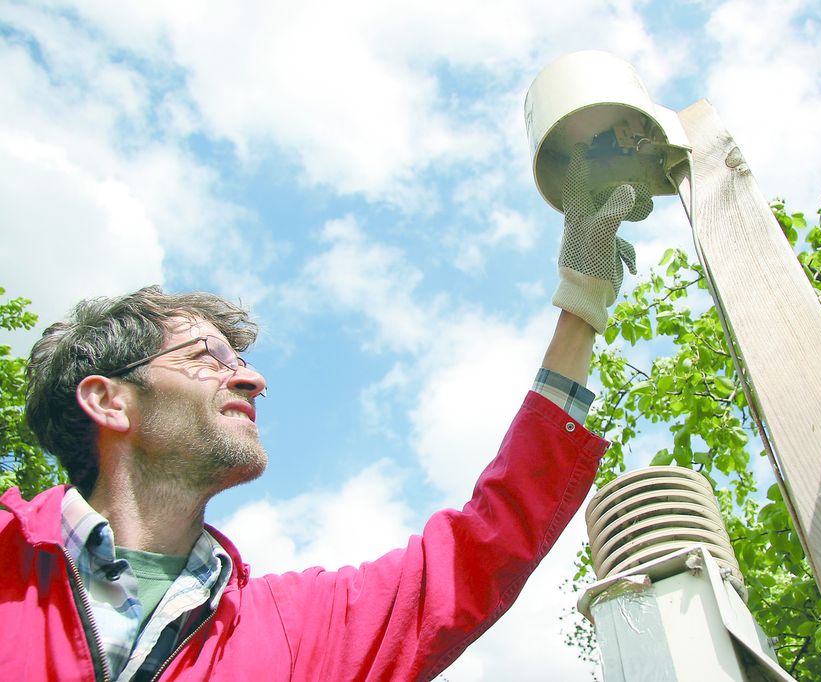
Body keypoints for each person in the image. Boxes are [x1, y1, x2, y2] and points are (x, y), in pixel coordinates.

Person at [0, 144, 648, 681]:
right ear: (109, 399)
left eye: (241, 362)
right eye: (208, 356)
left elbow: (481, 548)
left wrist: (582, 301)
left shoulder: (294, 630)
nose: (252, 379)